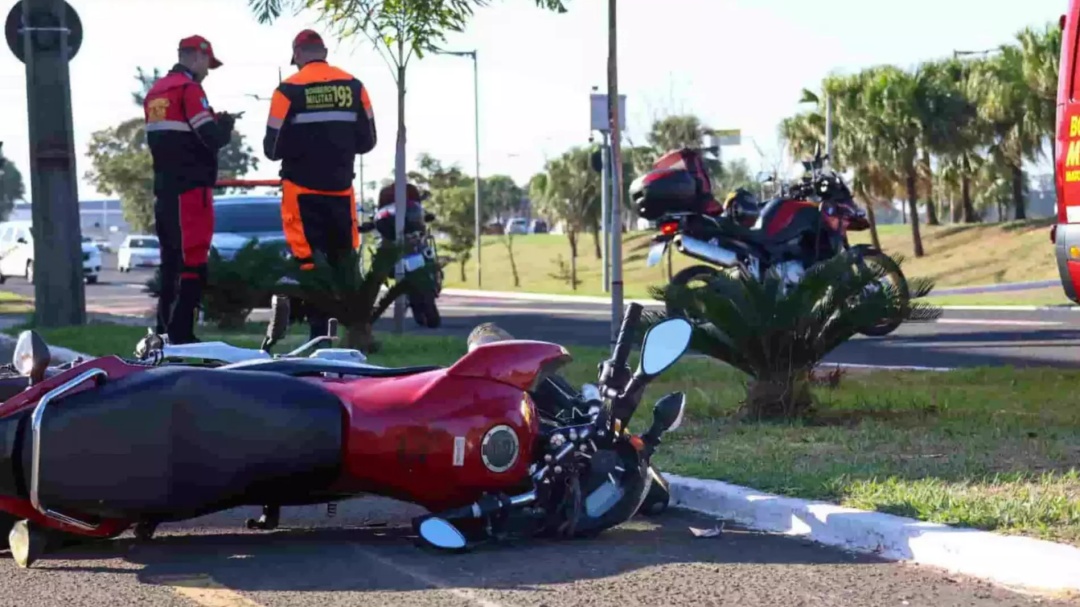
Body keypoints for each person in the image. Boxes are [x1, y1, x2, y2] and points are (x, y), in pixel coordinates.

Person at [263, 29, 377, 340]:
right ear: (324, 51)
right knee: (343, 260)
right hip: (341, 190)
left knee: (308, 261)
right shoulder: (355, 87)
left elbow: (271, 149)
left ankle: (315, 332)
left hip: (301, 192)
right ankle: (342, 331)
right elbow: (368, 141)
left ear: (298, 55)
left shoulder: (287, 90)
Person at [143, 35, 236, 344]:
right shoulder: (190, 90)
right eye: (207, 64)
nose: (207, 71)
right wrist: (225, 125)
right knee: (193, 260)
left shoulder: (155, 93)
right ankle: (181, 333)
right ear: (196, 57)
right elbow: (210, 136)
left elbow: (173, 136)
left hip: (165, 190)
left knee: (171, 261)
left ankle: (163, 330)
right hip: (191, 190)